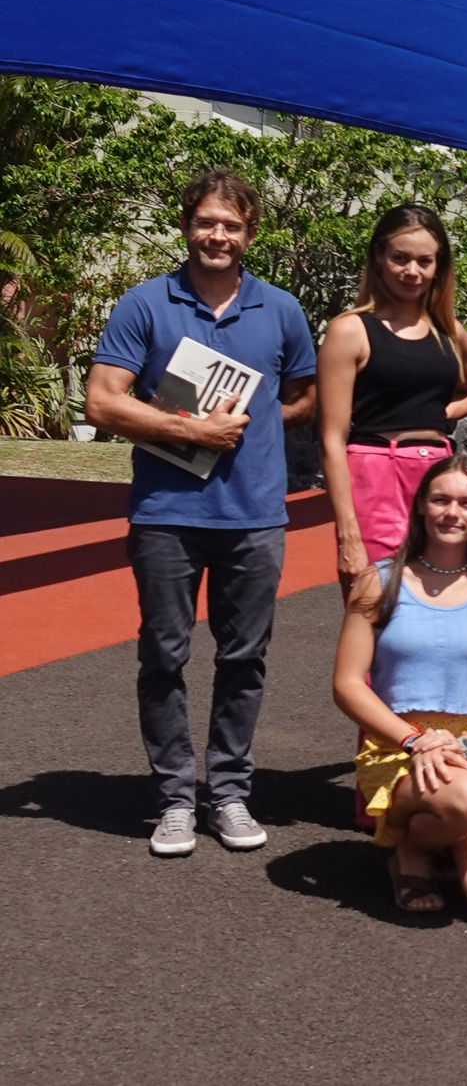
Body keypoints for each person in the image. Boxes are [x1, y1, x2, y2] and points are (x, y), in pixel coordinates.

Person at [84, 169, 318, 857]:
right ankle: (174, 798)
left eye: (232, 225)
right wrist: (193, 432)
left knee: (245, 657)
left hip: (254, 514)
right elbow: (102, 401)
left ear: (250, 234)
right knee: (165, 653)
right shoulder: (146, 303)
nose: (218, 235)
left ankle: (230, 791)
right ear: (187, 225)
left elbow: (302, 396)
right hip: (166, 512)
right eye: (206, 222)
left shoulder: (280, 309)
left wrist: (253, 424)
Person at [332, 454, 467, 919]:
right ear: (421, 505)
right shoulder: (379, 583)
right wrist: (416, 740)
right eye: (440, 500)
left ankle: (443, 835)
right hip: (398, 748)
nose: (452, 513)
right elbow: (347, 684)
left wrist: (463, 744)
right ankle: (408, 846)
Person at [317, 203, 467, 595]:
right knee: (375, 606)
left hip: (439, 476)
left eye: (425, 261)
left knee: (441, 600)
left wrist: (443, 413)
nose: (413, 271)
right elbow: (331, 439)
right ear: (378, 257)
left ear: (439, 266)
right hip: (374, 475)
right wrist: (347, 535)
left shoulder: (450, 333)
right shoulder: (350, 331)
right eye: (400, 258)